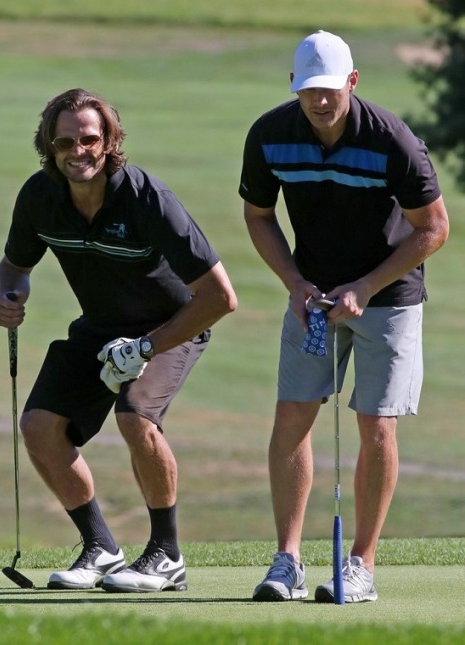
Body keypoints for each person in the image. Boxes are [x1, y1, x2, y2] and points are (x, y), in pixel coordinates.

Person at [0, 88, 237, 593]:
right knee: (39, 426)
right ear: (49, 146)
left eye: (88, 140)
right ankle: (101, 547)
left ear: (109, 143)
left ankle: (167, 556)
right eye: (65, 143)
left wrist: (148, 347)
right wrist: (10, 294)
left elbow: (219, 297)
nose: (77, 152)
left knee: (136, 417)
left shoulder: (148, 199)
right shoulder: (40, 197)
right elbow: (14, 265)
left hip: (171, 326)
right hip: (100, 326)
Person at [239, 30, 449, 602]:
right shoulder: (270, 135)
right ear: (294, 87)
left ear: (351, 83)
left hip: (389, 297)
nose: (320, 101)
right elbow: (258, 215)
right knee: (292, 417)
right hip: (314, 299)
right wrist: (293, 282)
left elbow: (434, 227)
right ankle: (287, 561)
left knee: (375, 423)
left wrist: (367, 285)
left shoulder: (392, 141)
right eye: (309, 90)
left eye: (330, 89)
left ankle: (361, 565)